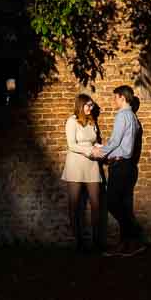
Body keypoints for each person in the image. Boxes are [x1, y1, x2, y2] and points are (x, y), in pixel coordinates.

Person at [91, 85, 145, 257]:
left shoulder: (122, 115)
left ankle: (134, 236)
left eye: (115, 98)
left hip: (121, 167)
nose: (113, 101)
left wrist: (100, 152)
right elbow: (126, 146)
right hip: (128, 166)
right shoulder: (134, 118)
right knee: (124, 206)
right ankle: (127, 245)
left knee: (112, 203)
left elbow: (115, 142)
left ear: (122, 97)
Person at [61, 93, 104, 252]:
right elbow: (71, 145)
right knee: (74, 204)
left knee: (96, 203)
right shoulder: (71, 121)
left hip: (92, 164)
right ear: (80, 105)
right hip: (75, 164)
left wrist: (101, 148)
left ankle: (96, 242)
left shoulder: (92, 121)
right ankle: (78, 242)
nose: (90, 108)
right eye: (88, 105)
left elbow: (93, 141)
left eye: (92, 106)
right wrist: (90, 150)